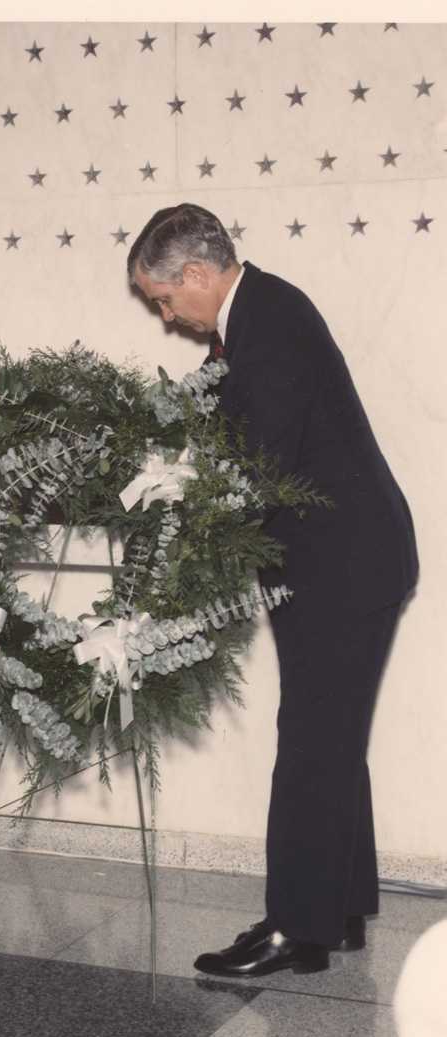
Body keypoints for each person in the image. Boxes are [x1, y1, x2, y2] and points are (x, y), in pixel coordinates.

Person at [126, 204, 419, 978]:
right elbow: (220, 430)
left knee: (312, 742)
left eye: (163, 299)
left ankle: (299, 928)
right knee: (330, 739)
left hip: (343, 564)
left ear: (193, 274)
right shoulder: (252, 319)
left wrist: (182, 522)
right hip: (337, 560)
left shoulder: (269, 319)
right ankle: (339, 912)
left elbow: (258, 465)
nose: (167, 316)